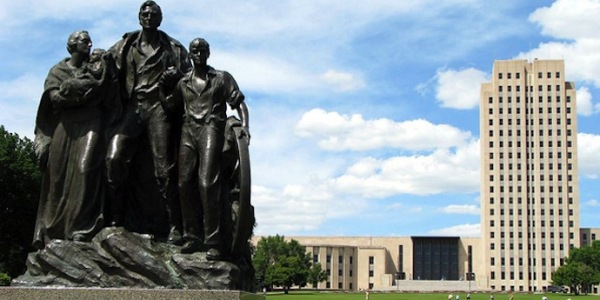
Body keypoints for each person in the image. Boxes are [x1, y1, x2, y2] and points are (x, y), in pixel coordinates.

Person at [106, 0, 191, 243]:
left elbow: (189, 76)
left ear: (160, 19)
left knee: (164, 169)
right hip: (132, 108)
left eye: (153, 14)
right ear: (139, 17)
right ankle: (116, 219)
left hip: (158, 107)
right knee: (113, 158)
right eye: (144, 13)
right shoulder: (126, 44)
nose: (148, 17)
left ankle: (175, 225)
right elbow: (103, 65)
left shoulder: (173, 48)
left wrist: (175, 77)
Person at [161, 38, 249, 259]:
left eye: (202, 50)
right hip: (188, 131)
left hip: (212, 128)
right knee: (184, 182)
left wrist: (245, 126)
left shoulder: (221, 78)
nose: (199, 54)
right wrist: (162, 87)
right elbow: (169, 106)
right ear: (190, 55)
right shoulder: (183, 83)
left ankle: (213, 241)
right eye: (195, 51)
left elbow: (238, 103)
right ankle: (192, 236)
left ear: (208, 53)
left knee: (207, 183)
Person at [33, 30, 119, 248]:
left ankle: (82, 228)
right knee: (57, 176)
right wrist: (80, 94)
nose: (89, 43)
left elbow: (107, 92)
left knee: (86, 169)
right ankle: (54, 230)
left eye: (89, 41)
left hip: (92, 121)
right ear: (71, 45)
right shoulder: (58, 70)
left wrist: (74, 92)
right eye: (84, 40)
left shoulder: (96, 67)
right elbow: (54, 99)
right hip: (65, 125)